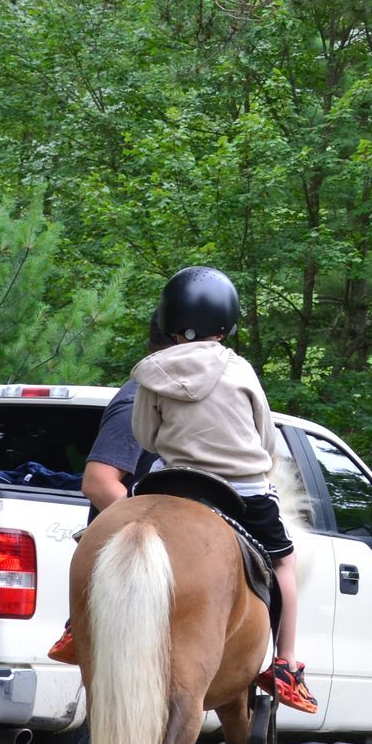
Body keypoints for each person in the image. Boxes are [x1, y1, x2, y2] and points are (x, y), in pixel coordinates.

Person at [49, 309, 236, 744]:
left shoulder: (184, 396)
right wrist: (160, 543)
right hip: (138, 568)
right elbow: (102, 480)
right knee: (161, 700)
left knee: (160, 702)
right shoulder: (140, 393)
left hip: (161, 560)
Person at [132, 267, 315, 714]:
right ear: (226, 322)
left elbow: (143, 435)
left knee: (112, 535)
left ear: (169, 319)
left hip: (174, 483)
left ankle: (77, 626)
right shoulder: (241, 369)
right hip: (244, 490)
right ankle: (287, 666)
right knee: (284, 562)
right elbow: (267, 440)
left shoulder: (153, 372)